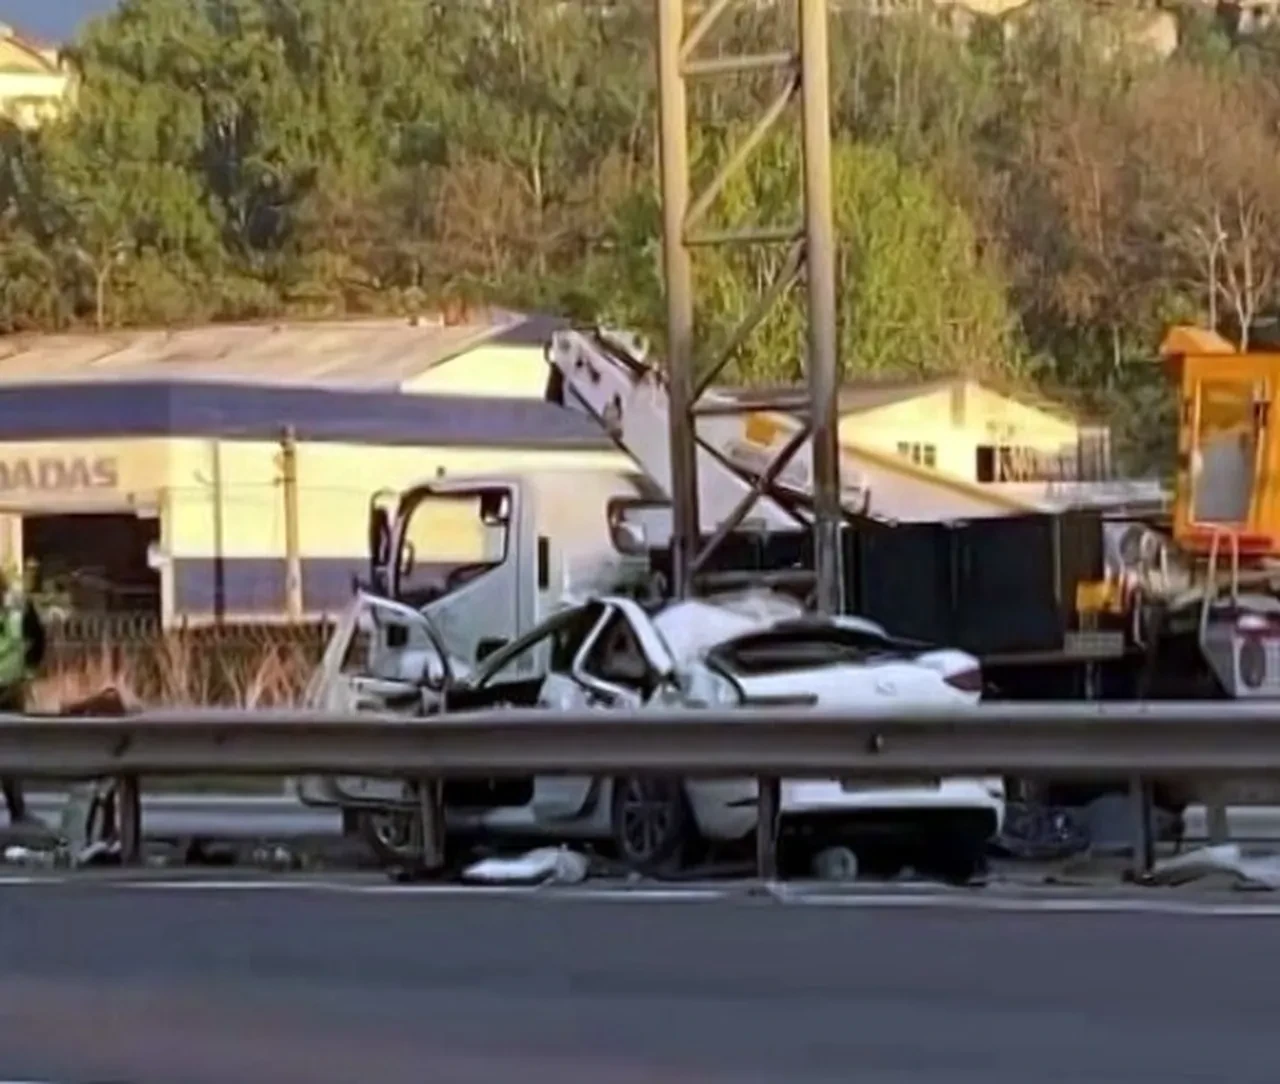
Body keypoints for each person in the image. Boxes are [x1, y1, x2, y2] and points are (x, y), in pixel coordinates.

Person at [0, 567, 45, 826]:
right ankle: (18, 810)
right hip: (13, 686)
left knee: (9, 754)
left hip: (11, 689)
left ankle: (18, 810)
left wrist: (27, 674)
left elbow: (37, 640)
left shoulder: (18, 605)